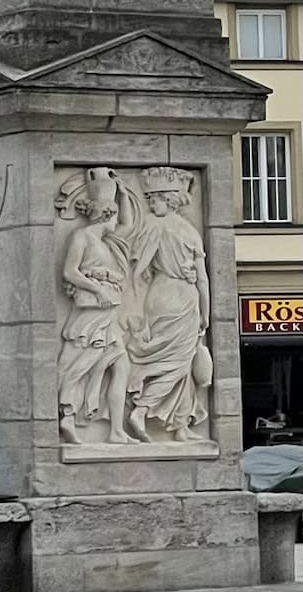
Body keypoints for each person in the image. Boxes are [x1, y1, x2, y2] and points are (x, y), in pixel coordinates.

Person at [125, 168, 211, 444]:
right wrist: (206, 313)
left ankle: (180, 425)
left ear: (170, 199)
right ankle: (141, 409)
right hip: (183, 298)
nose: (151, 204)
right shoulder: (189, 232)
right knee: (176, 362)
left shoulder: (153, 226)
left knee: (181, 364)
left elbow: (137, 267)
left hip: (161, 294)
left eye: (155, 199)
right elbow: (203, 278)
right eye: (149, 199)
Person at [57, 169, 135, 444]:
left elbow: (128, 224)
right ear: (107, 214)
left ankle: (115, 430)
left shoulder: (108, 240)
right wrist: (98, 288)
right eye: (115, 214)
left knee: (120, 368)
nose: (119, 223)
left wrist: (124, 193)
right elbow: (70, 271)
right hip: (90, 314)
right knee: (79, 366)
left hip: (108, 312)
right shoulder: (82, 237)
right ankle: (67, 416)